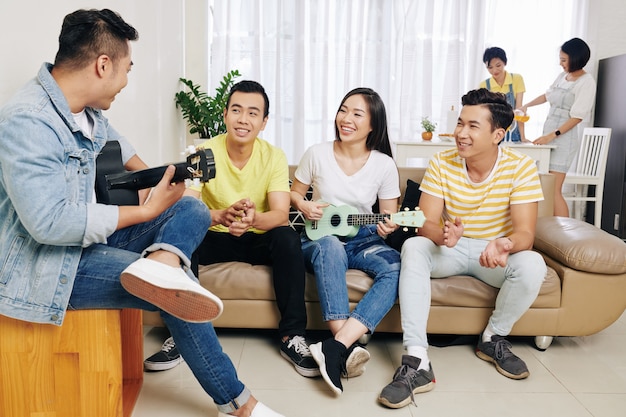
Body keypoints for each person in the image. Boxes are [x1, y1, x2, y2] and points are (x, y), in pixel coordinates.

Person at [0, 9, 284, 417]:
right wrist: (146, 211)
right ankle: (238, 403)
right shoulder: (28, 120)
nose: (126, 80)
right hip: (47, 267)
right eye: (126, 69)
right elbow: (49, 224)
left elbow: (125, 150)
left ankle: (163, 263)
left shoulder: (84, 110)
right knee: (177, 287)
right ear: (103, 65)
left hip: (86, 244)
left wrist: (159, 186)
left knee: (190, 207)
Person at [378, 89, 547, 409]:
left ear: (498, 134)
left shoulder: (521, 167)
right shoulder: (442, 162)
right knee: (414, 246)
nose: (460, 133)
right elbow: (425, 222)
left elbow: (525, 232)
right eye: (459, 123)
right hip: (450, 249)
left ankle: (493, 337)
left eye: (472, 126)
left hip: (494, 255)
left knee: (533, 264)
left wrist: (505, 243)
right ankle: (417, 360)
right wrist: (443, 236)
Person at [145, 80, 318, 378]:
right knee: (182, 236)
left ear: (263, 123)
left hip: (259, 235)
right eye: (236, 110)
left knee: (288, 237)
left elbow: (278, 215)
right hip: (215, 234)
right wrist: (222, 216)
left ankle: (292, 337)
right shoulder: (202, 151)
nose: (243, 119)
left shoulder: (274, 156)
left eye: (253, 113)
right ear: (225, 115)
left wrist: (252, 221)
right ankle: (182, 335)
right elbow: (188, 210)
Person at [290, 87, 401, 395]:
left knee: (395, 266)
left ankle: (336, 346)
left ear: (373, 125)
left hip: (363, 239)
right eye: (343, 110)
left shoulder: (384, 164)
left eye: (357, 113)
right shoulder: (317, 153)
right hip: (319, 237)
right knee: (330, 245)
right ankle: (343, 345)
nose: (346, 118)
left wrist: (386, 228)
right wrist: (304, 205)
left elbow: (387, 216)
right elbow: (294, 192)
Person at [521, 37, 596, 219]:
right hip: (550, 134)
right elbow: (547, 95)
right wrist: (526, 106)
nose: (560, 64)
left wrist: (552, 136)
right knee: (543, 186)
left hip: (564, 138)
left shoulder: (586, 82)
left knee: (554, 189)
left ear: (576, 58)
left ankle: (564, 233)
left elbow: (577, 117)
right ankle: (547, 229)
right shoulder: (563, 77)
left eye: (564, 60)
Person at [479, 46, 527, 142]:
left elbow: (519, 111)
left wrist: (523, 137)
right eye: (490, 67)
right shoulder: (484, 85)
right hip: (492, 134)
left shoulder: (516, 79)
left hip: (513, 133)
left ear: (505, 63)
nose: (494, 70)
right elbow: (484, 114)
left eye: (498, 65)